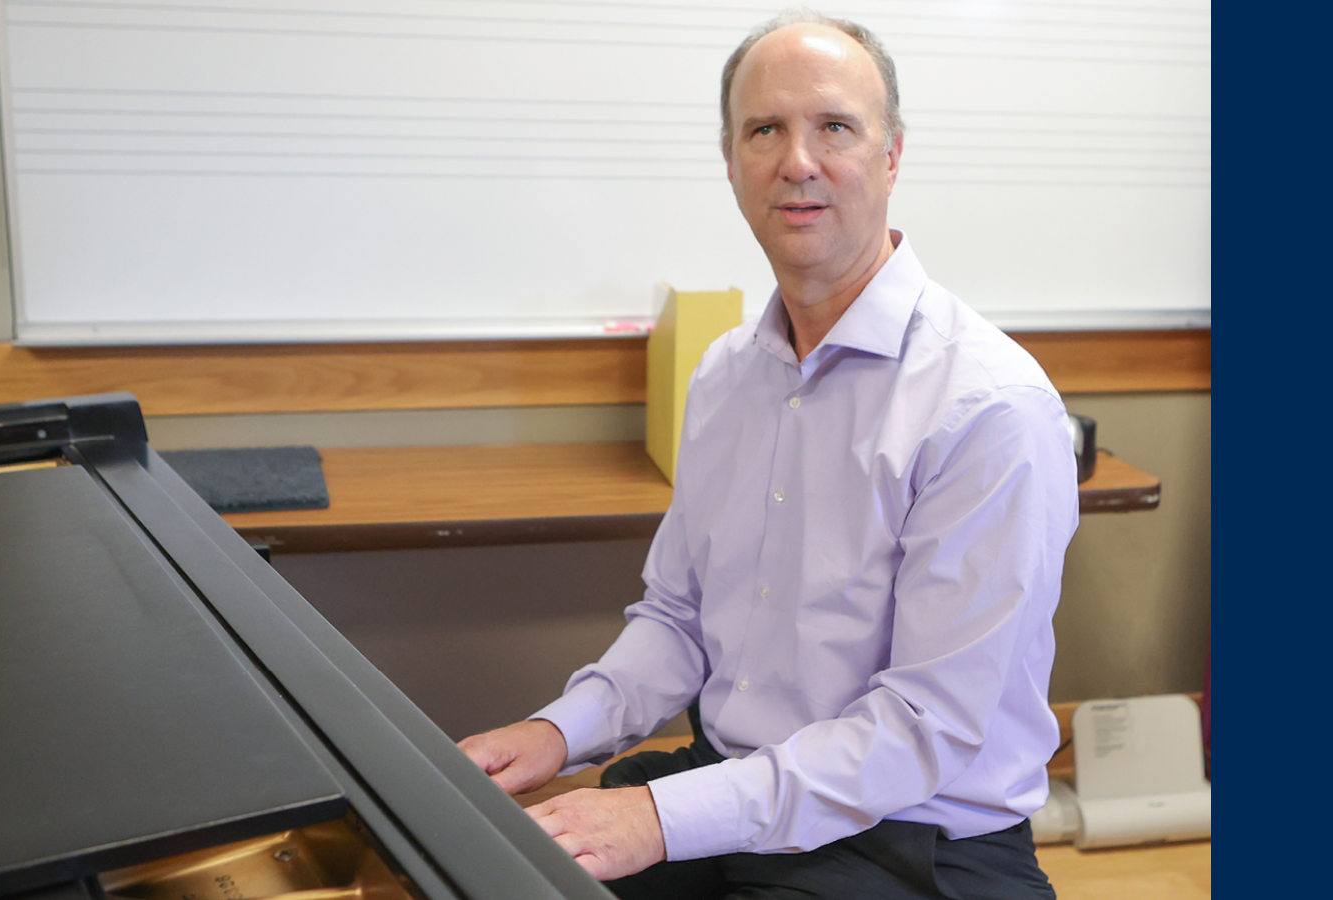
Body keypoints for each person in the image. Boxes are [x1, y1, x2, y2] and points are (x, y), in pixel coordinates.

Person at [457, 11, 1076, 900]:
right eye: (764, 130)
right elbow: (676, 619)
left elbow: (923, 730)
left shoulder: (989, 408)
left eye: (834, 126)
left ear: (892, 155)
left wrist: (660, 818)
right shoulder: (725, 378)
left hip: (908, 839)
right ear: (731, 160)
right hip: (730, 792)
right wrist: (560, 733)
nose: (797, 161)